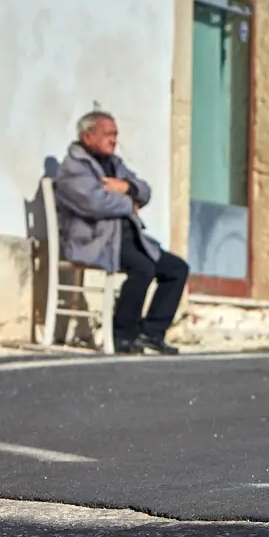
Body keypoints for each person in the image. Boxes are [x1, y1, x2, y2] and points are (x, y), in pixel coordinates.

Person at [54, 110, 190, 355]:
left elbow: (145, 191)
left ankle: (151, 333)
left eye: (115, 134)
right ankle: (122, 335)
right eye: (107, 134)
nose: (114, 140)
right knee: (143, 268)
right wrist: (129, 202)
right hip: (95, 240)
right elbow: (94, 203)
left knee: (176, 269)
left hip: (127, 236)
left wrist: (125, 187)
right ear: (88, 136)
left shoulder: (115, 165)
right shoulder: (73, 168)